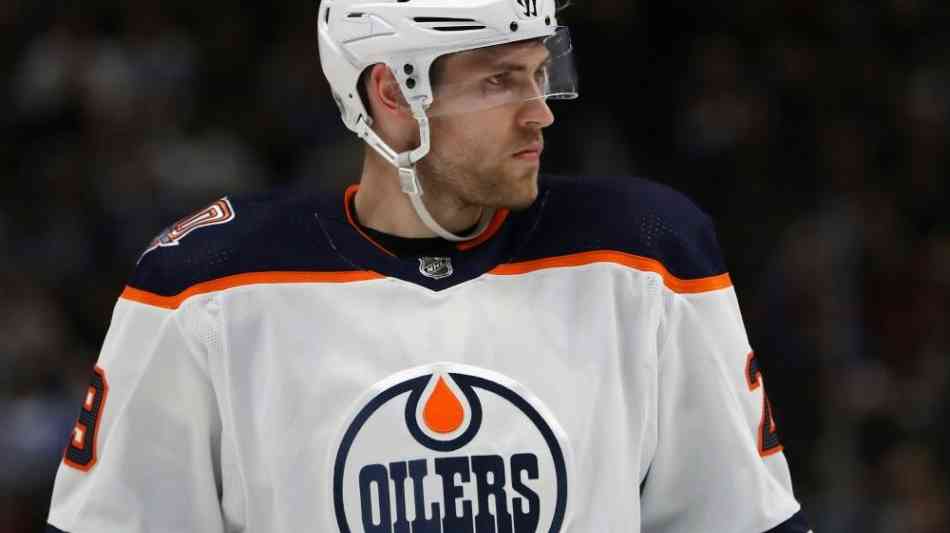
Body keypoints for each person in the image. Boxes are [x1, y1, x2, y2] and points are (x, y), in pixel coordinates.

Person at [46, 0, 813, 531]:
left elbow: (742, 519)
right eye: (498, 80)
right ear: (391, 92)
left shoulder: (645, 254)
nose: (540, 111)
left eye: (538, 71)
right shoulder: (206, 286)